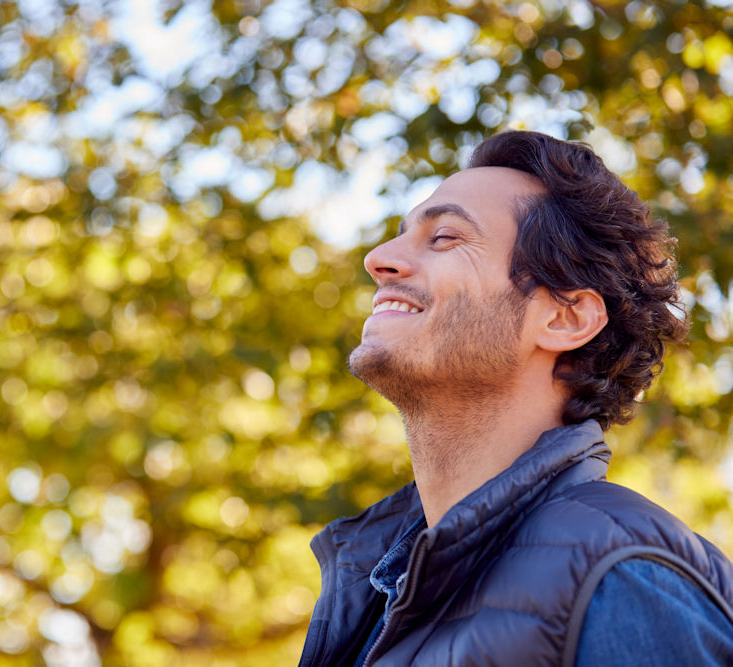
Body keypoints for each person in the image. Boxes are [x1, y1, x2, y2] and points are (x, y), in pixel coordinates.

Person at [298, 130, 733, 666]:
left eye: (445, 238)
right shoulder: (374, 589)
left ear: (564, 317)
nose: (378, 259)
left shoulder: (623, 578)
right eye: (401, 234)